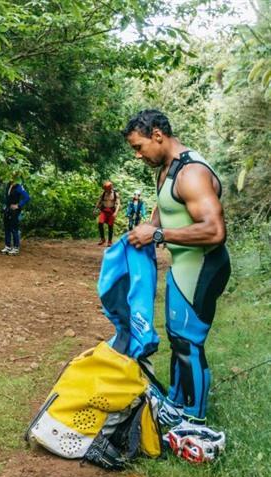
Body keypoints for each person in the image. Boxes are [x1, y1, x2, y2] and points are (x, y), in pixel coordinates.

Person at [124, 109, 230, 428]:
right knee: (177, 336)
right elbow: (166, 203)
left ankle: (194, 419)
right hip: (183, 265)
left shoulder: (191, 173)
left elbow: (214, 230)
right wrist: (151, 224)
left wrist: (157, 235)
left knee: (188, 341)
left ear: (158, 134)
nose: (138, 155)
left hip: (202, 266)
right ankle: (176, 403)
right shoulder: (167, 168)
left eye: (139, 146)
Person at [0, 170, 30, 255]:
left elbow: (27, 197)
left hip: (15, 210)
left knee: (14, 228)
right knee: (7, 228)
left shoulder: (19, 186)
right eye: (11, 176)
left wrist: (18, 205)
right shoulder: (9, 184)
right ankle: (7, 246)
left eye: (14, 176)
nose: (12, 178)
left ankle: (16, 247)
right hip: (7, 209)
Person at [95, 180, 120, 247]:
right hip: (104, 211)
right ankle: (102, 239)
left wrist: (115, 213)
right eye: (105, 189)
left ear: (110, 188)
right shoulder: (103, 194)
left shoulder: (115, 194)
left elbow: (118, 204)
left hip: (111, 211)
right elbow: (99, 201)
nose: (106, 190)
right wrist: (95, 209)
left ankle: (110, 241)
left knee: (110, 226)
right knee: (100, 223)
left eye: (107, 189)